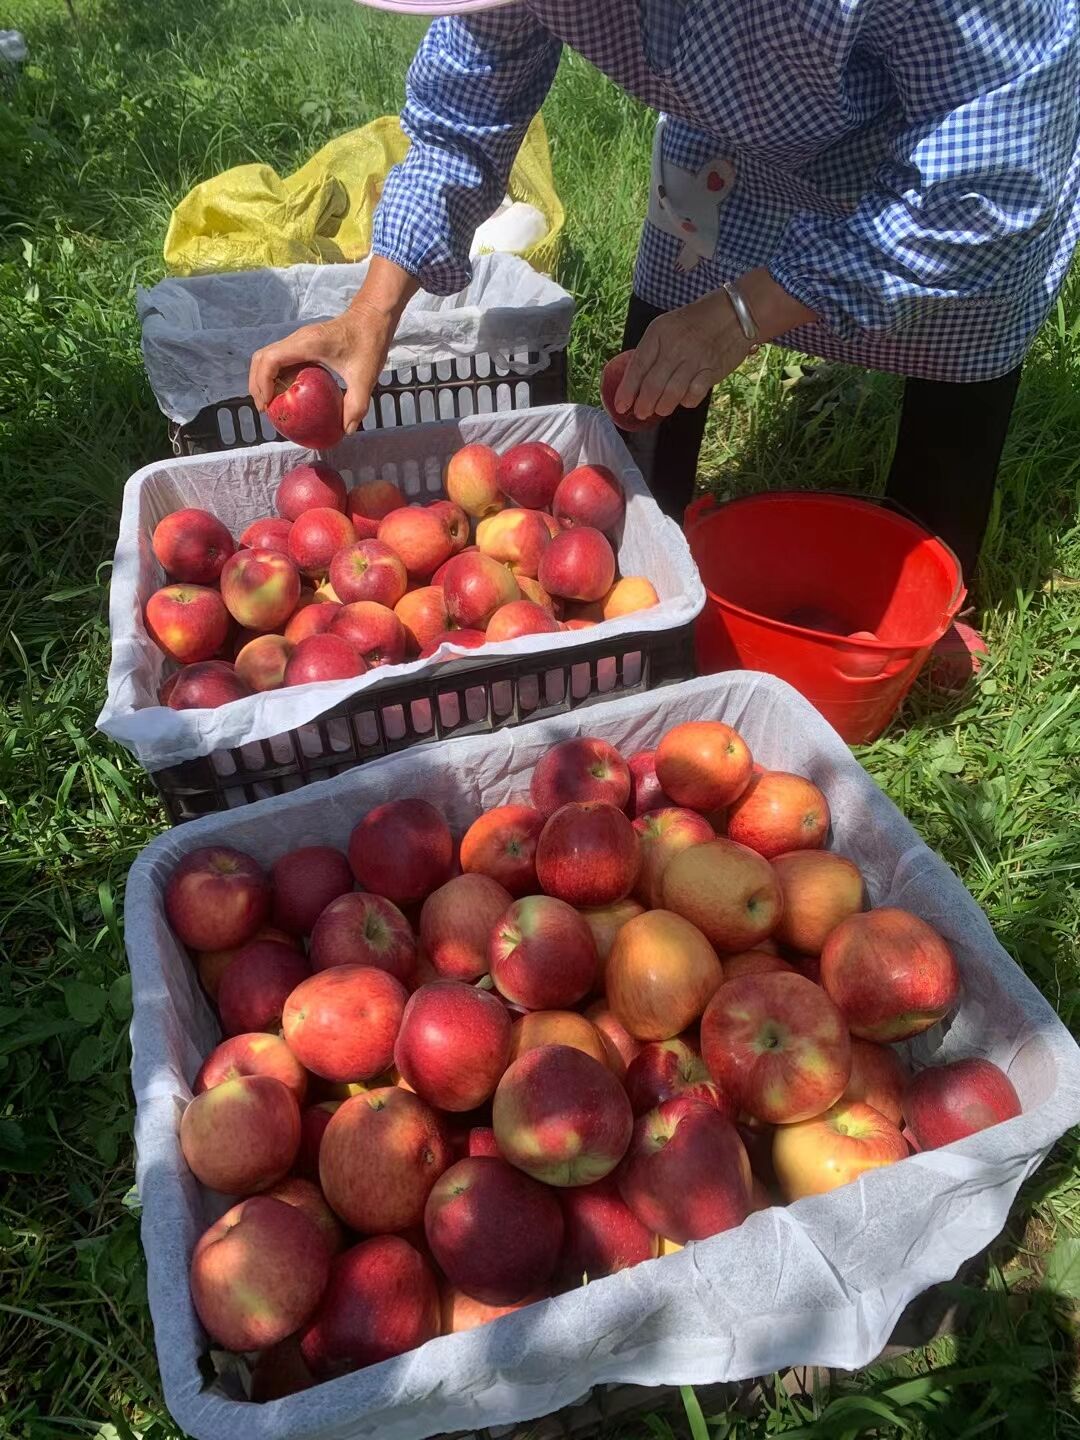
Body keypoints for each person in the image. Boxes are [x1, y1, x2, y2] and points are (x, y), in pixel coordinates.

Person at [250, 0, 1080, 620]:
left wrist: (740, 317)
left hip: (937, 140)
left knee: (953, 327)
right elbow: (463, 113)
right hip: (727, 135)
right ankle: (645, 542)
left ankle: (930, 582)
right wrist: (371, 312)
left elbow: (988, 170)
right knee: (670, 324)